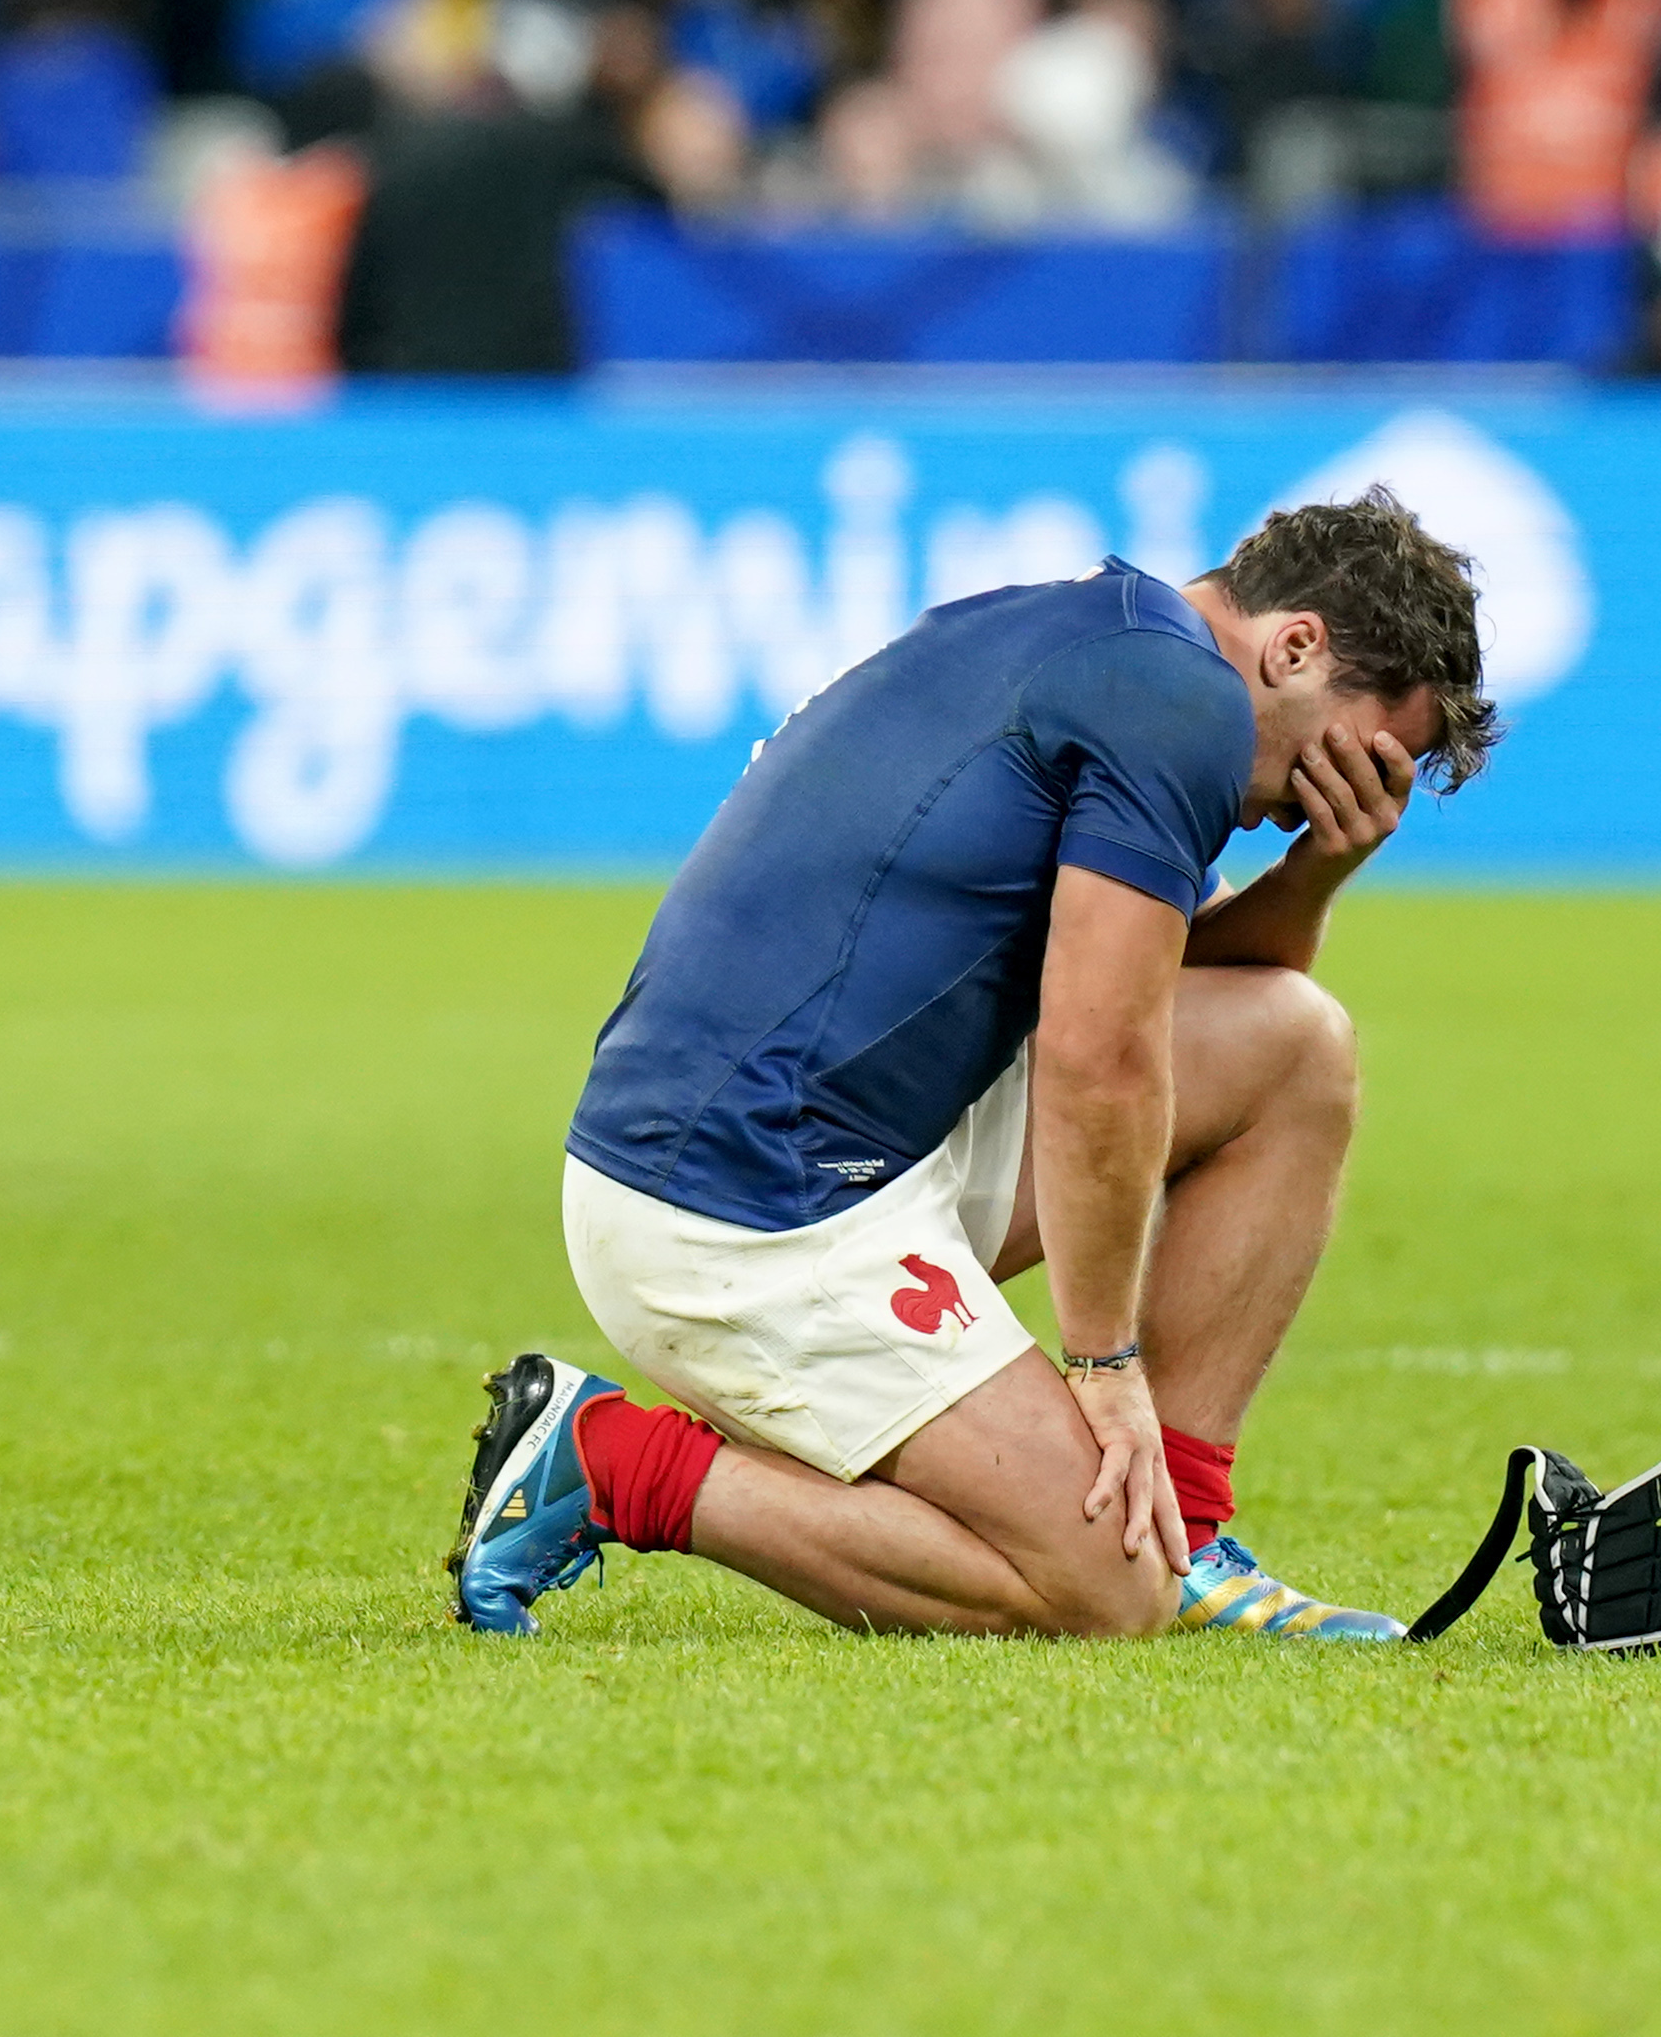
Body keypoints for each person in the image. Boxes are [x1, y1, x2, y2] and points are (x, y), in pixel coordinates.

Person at [448, 491, 1499, 1642]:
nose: (1305, 797)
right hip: (738, 1203)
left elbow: (1202, 981)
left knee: (1293, 1042)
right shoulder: (1178, 702)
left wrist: (1318, 871)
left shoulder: (1112, 640)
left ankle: (1184, 1539)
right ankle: (607, 1462)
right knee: (1105, 1595)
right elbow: (1101, 1054)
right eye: (1340, 755)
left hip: (829, 1138)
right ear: (1293, 647)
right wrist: (1103, 1363)